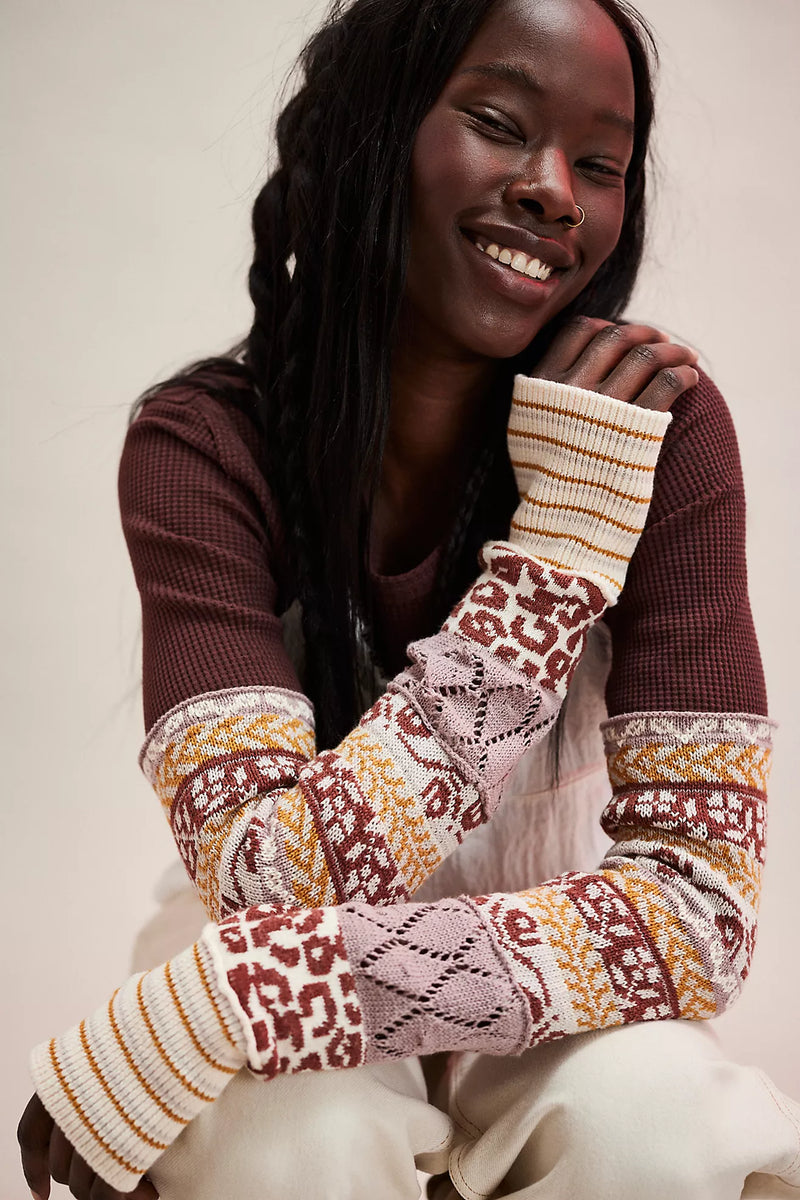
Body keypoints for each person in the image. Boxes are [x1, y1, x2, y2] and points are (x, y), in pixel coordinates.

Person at [17, 0, 800, 1197]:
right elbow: (260, 883)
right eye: (497, 122)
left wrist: (237, 997)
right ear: (370, 131)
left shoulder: (658, 426)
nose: (553, 191)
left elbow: (699, 913)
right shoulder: (204, 447)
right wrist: (554, 568)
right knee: (302, 1135)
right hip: (258, 926)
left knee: (648, 1124)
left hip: (548, 947)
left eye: (599, 165)